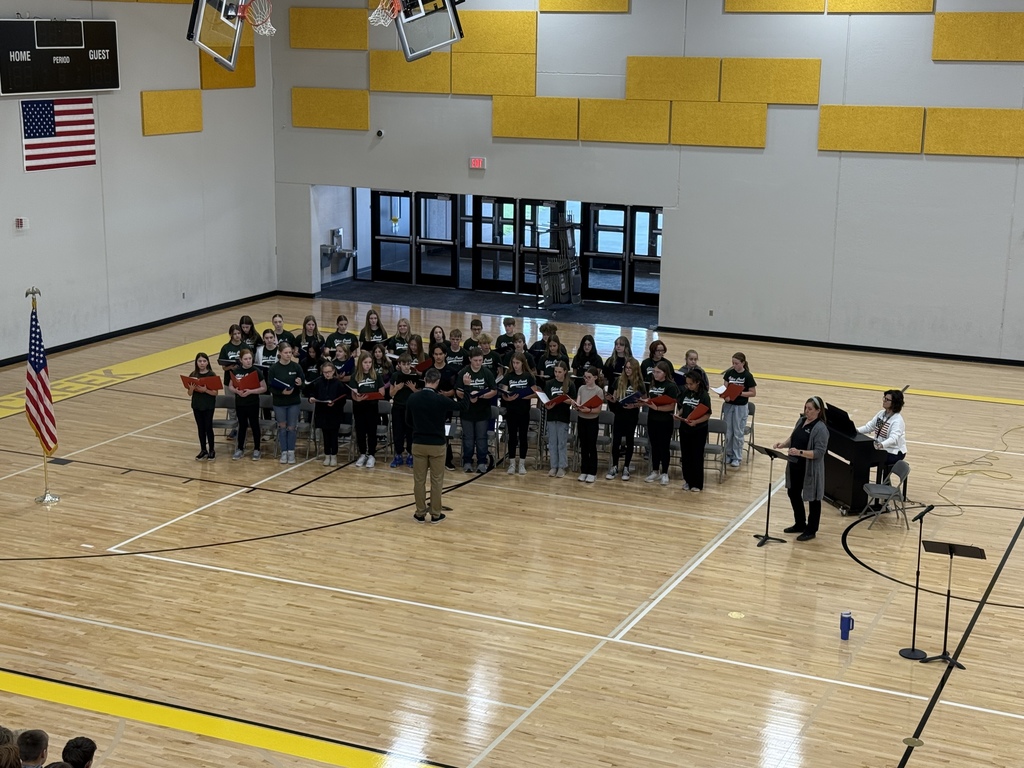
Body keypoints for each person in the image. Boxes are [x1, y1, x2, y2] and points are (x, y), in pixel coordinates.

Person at [406, 367, 460, 524]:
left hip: (418, 443)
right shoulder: (441, 399)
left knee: (419, 481)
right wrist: (466, 388)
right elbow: (462, 407)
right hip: (437, 444)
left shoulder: (413, 398)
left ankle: (420, 513)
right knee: (436, 481)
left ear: (424, 380)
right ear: (437, 382)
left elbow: (408, 421)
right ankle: (436, 514)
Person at [774, 396, 830, 541]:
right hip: (795, 465)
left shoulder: (821, 429)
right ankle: (800, 523)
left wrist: (799, 452)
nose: (806, 411)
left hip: (810, 469)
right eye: (805, 408)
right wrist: (783, 444)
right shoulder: (801, 421)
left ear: (818, 410)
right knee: (793, 493)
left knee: (814, 499)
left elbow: (819, 453)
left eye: (810, 409)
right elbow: (793, 438)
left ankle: (811, 529)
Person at [456, 348, 497, 473]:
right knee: (468, 438)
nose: (478, 363)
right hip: (467, 411)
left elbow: (494, 391)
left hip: (482, 411)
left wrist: (481, 396)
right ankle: (467, 461)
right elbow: (458, 391)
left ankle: (481, 462)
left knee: (481, 438)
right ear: (470, 359)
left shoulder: (487, 373)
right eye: (475, 360)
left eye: (480, 360)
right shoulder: (464, 372)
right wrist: (469, 396)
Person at [605, 357, 644, 482]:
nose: (627, 370)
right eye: (626, 368)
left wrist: (635, 405)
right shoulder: (619, 380)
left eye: (630, 368)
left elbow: (644, 401)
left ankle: (626, 467)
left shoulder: (639, 383)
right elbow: (615, 397)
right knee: (616, 440)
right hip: (620, 413)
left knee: (629, 440)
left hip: (632, 414)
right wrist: (611, 399)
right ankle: (614, 466)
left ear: (635, 369)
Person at [675, 368, 711, 492]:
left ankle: (697, 483)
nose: (688, 386)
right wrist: (678, 415)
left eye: (691, 384)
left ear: (697, 383)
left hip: (698, 430)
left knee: (696, 456)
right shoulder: (686, 393)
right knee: (686, 455)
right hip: (685, 428)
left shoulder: (704, 395)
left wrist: (696, 422)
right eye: (687, 384)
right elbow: (683, 407)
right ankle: (687, 480)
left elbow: (707, 414)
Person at [644, 361, 680, 485]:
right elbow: (651, 399)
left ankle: (665, 472)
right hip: (652, 419)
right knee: (654, 446)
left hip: (665, 421)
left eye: (658, 372)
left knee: (664, 447)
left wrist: (657, 408)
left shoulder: (671, 386)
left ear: (665, 373)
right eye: (654, 372)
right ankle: (655, 470)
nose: (655, 374)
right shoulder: (653, 384)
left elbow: (671, 406)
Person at [268, 341, 304, 464]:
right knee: (282, 427)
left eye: (290, 352)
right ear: (280, 353)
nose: (288, 355)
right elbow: (270, 387)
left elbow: (303, 384)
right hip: (279, 402)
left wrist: (300, 383)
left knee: (292, 427)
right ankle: (284, 451)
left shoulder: (296, 367)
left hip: (294, 402)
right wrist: (281, 392)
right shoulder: (274, 368)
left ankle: (291, 451)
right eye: (286, 353)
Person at [227, 347, 266, 461]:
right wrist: (236, 391)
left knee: (254, 425)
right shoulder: (236, 371)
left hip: (252, 403)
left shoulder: (256, 371)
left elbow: (264, 388)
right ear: (241, 360)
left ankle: (257, 449)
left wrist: (251, 391)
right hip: (240, 403)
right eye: (246, 359)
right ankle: (240, 448)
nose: (248, 361)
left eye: (250, 358)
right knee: (242, 425)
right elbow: (230, 386)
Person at [501, 352, 537, 475]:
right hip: (511, 411)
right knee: (512, 437)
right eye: (513, 363)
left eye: (517, 363)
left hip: (524, 411)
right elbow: (504, 393)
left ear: (522, 363)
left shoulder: (528, 376)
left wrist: (525, 396)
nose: (515, 365)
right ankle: (512, 463)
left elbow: (535, 392)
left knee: (523, 437)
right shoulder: (508, 376)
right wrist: (508, 398)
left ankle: (522, 463)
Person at [308, 359, 347, 466]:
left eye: (329, 372)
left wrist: (335, 403)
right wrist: (311, 398)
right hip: (322, 413)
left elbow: (343, 399)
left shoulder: (338, 384)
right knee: (325, 435)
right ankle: (327, 455)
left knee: (333, 435)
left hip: (335, 413)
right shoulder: (318, 383)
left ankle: (333, 455)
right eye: (325, 372)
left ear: (333, 371)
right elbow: (312, 393)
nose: (327, 374)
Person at [351, 350, 386, 467]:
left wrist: (376, 394)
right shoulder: (355, 376)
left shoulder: (376, 375)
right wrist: (357, 398)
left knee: (372, 431)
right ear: (360, 363)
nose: (368, 365)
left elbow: (382, 391)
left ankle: (371, 454)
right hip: (359, 407)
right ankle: (362, 453)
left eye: (370, 362)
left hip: (372, 407)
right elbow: (353, 393)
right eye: (365, 362)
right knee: (360, 431)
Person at [721, 352, 757, 468]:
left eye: (736, 363)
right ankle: (728, 453)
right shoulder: (729, 373)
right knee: (728, 432)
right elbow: (725, 387)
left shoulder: (747, 376)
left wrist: (740, 393)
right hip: (729, 405)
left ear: (743, 363)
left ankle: (736, 457)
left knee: (738, 432)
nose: (734, 365)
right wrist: (724, 395)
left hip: (740, 407)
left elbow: (753, 393)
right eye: (733, 363)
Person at [857, 389, 907, 470]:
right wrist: (856, 430)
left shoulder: (897, 421)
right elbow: (869, 427)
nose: (884, 401)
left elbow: (893, 439)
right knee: (857, 457)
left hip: (893, 452)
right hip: (880, 449)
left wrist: (881, 445)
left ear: (894, 403)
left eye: (887, 399)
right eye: (884, 398)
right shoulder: (882, 415)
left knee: (863, 460)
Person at [544, 360, 575, 477]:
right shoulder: (549, 383)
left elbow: (574, 401)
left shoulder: (570, 384)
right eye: (555, 371)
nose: (557, 374)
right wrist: (548, 405)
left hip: (563, 416)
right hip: (551, 416)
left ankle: (562, 466)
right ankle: (553, 466)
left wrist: (564, 399)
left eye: (559, 372)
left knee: (561, 443)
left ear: (565, 372)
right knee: (552, 443)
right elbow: (546, 399)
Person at [574, 366, 606, 483]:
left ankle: (592, 472)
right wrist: (576, 406)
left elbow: (598, 409)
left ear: (595, 378)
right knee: (583, 446)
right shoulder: (581, 388)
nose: (586, 379)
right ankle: (584, 470)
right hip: (581, 419)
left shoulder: (598, 391)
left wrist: (589, 410)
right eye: (585, 377)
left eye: (589, 377)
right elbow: (578, 402)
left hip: (592, 420)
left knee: (591, 446)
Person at [186, 352, 220, 461]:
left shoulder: (211, 375)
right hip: (197, 405)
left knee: (208, 427)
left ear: (208, 362)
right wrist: (191, 389)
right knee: (200, 428)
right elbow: (189, 393)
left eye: (204, 361)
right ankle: (203, 449)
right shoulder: (193, 374)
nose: (202, 363)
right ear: (196, 362)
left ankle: (212, 450)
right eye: (200, 361)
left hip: (208, 405)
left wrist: (205, 390)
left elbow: (215, 393)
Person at [389, 353, 420, 467]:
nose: (406, 366)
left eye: (408, 364)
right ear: (399, 364)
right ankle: (398, 455)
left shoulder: (415, 375)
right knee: (398, 432)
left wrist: (413, 389)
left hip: (411, 409)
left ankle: (411, 455)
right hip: (398, 407)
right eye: (404, 364)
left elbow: (420, 393)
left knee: (410, 432)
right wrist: (397, 388)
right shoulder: (395, 375)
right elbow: (391, 393)